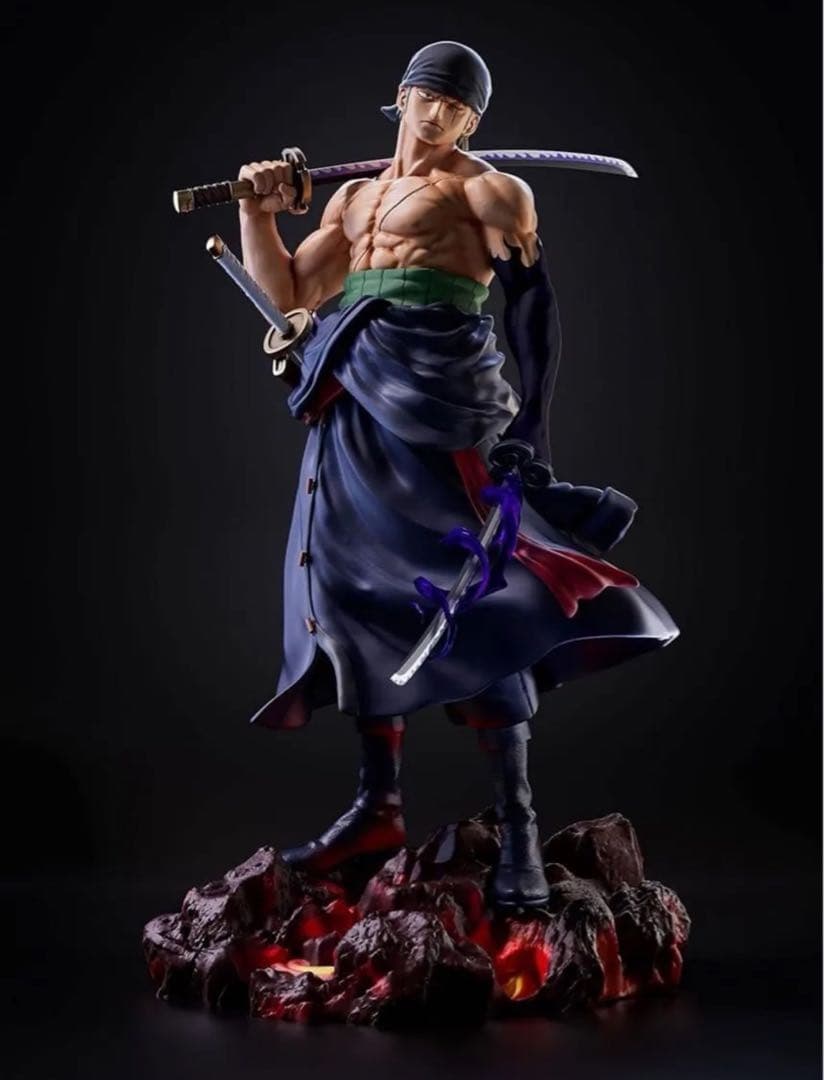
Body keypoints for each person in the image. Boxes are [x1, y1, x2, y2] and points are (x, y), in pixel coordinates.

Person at [237, 41, 678, 909]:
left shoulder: (489, 192)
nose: (438, 115)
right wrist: (258, 213)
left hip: (440, 409)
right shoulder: (354, 199)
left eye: (458, 107)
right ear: (400, 97)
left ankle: (518, 827)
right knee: (350, 594)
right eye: (427, 97)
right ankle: (377, 807)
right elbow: (288, 296)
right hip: (353, 408)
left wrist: (534, 429)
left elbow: (534, 307)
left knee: (477, 592)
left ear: (472, 120)